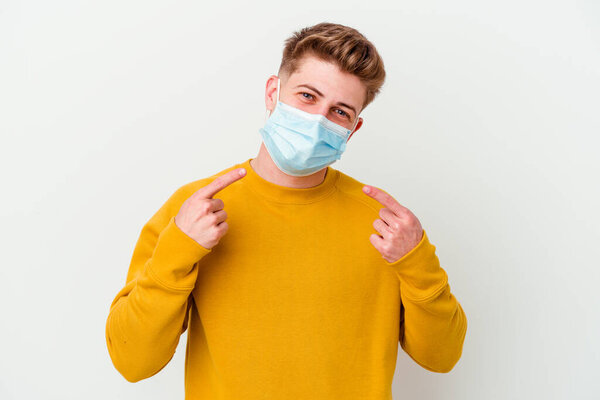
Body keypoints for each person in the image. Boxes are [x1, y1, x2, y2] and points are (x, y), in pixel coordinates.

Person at [105, 22, 467, 399]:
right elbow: (133, 362)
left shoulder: (385, 224)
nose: (318, 120)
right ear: (273, 92)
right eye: (308, 96)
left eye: (339, 112)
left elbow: (441, 358)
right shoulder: (195, 209)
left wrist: (416, 261)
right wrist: (178, 249)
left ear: (353, 128)